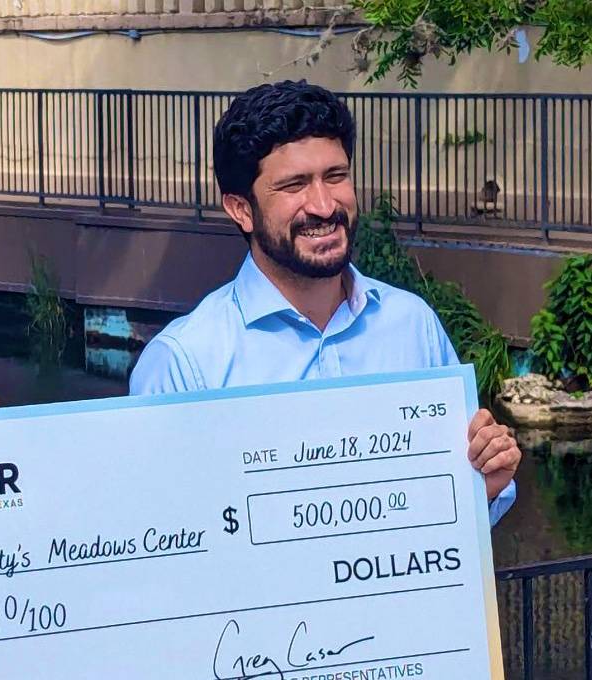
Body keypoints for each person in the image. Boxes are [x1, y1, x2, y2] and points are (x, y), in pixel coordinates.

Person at [129, 80, 519, 525]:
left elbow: (447, 521)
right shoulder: (185, 363)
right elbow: (160, 537)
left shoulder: (412, 325)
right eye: (294, 185)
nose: (323, 204)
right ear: (240, 209)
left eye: (335, 176)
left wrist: (485, 483)